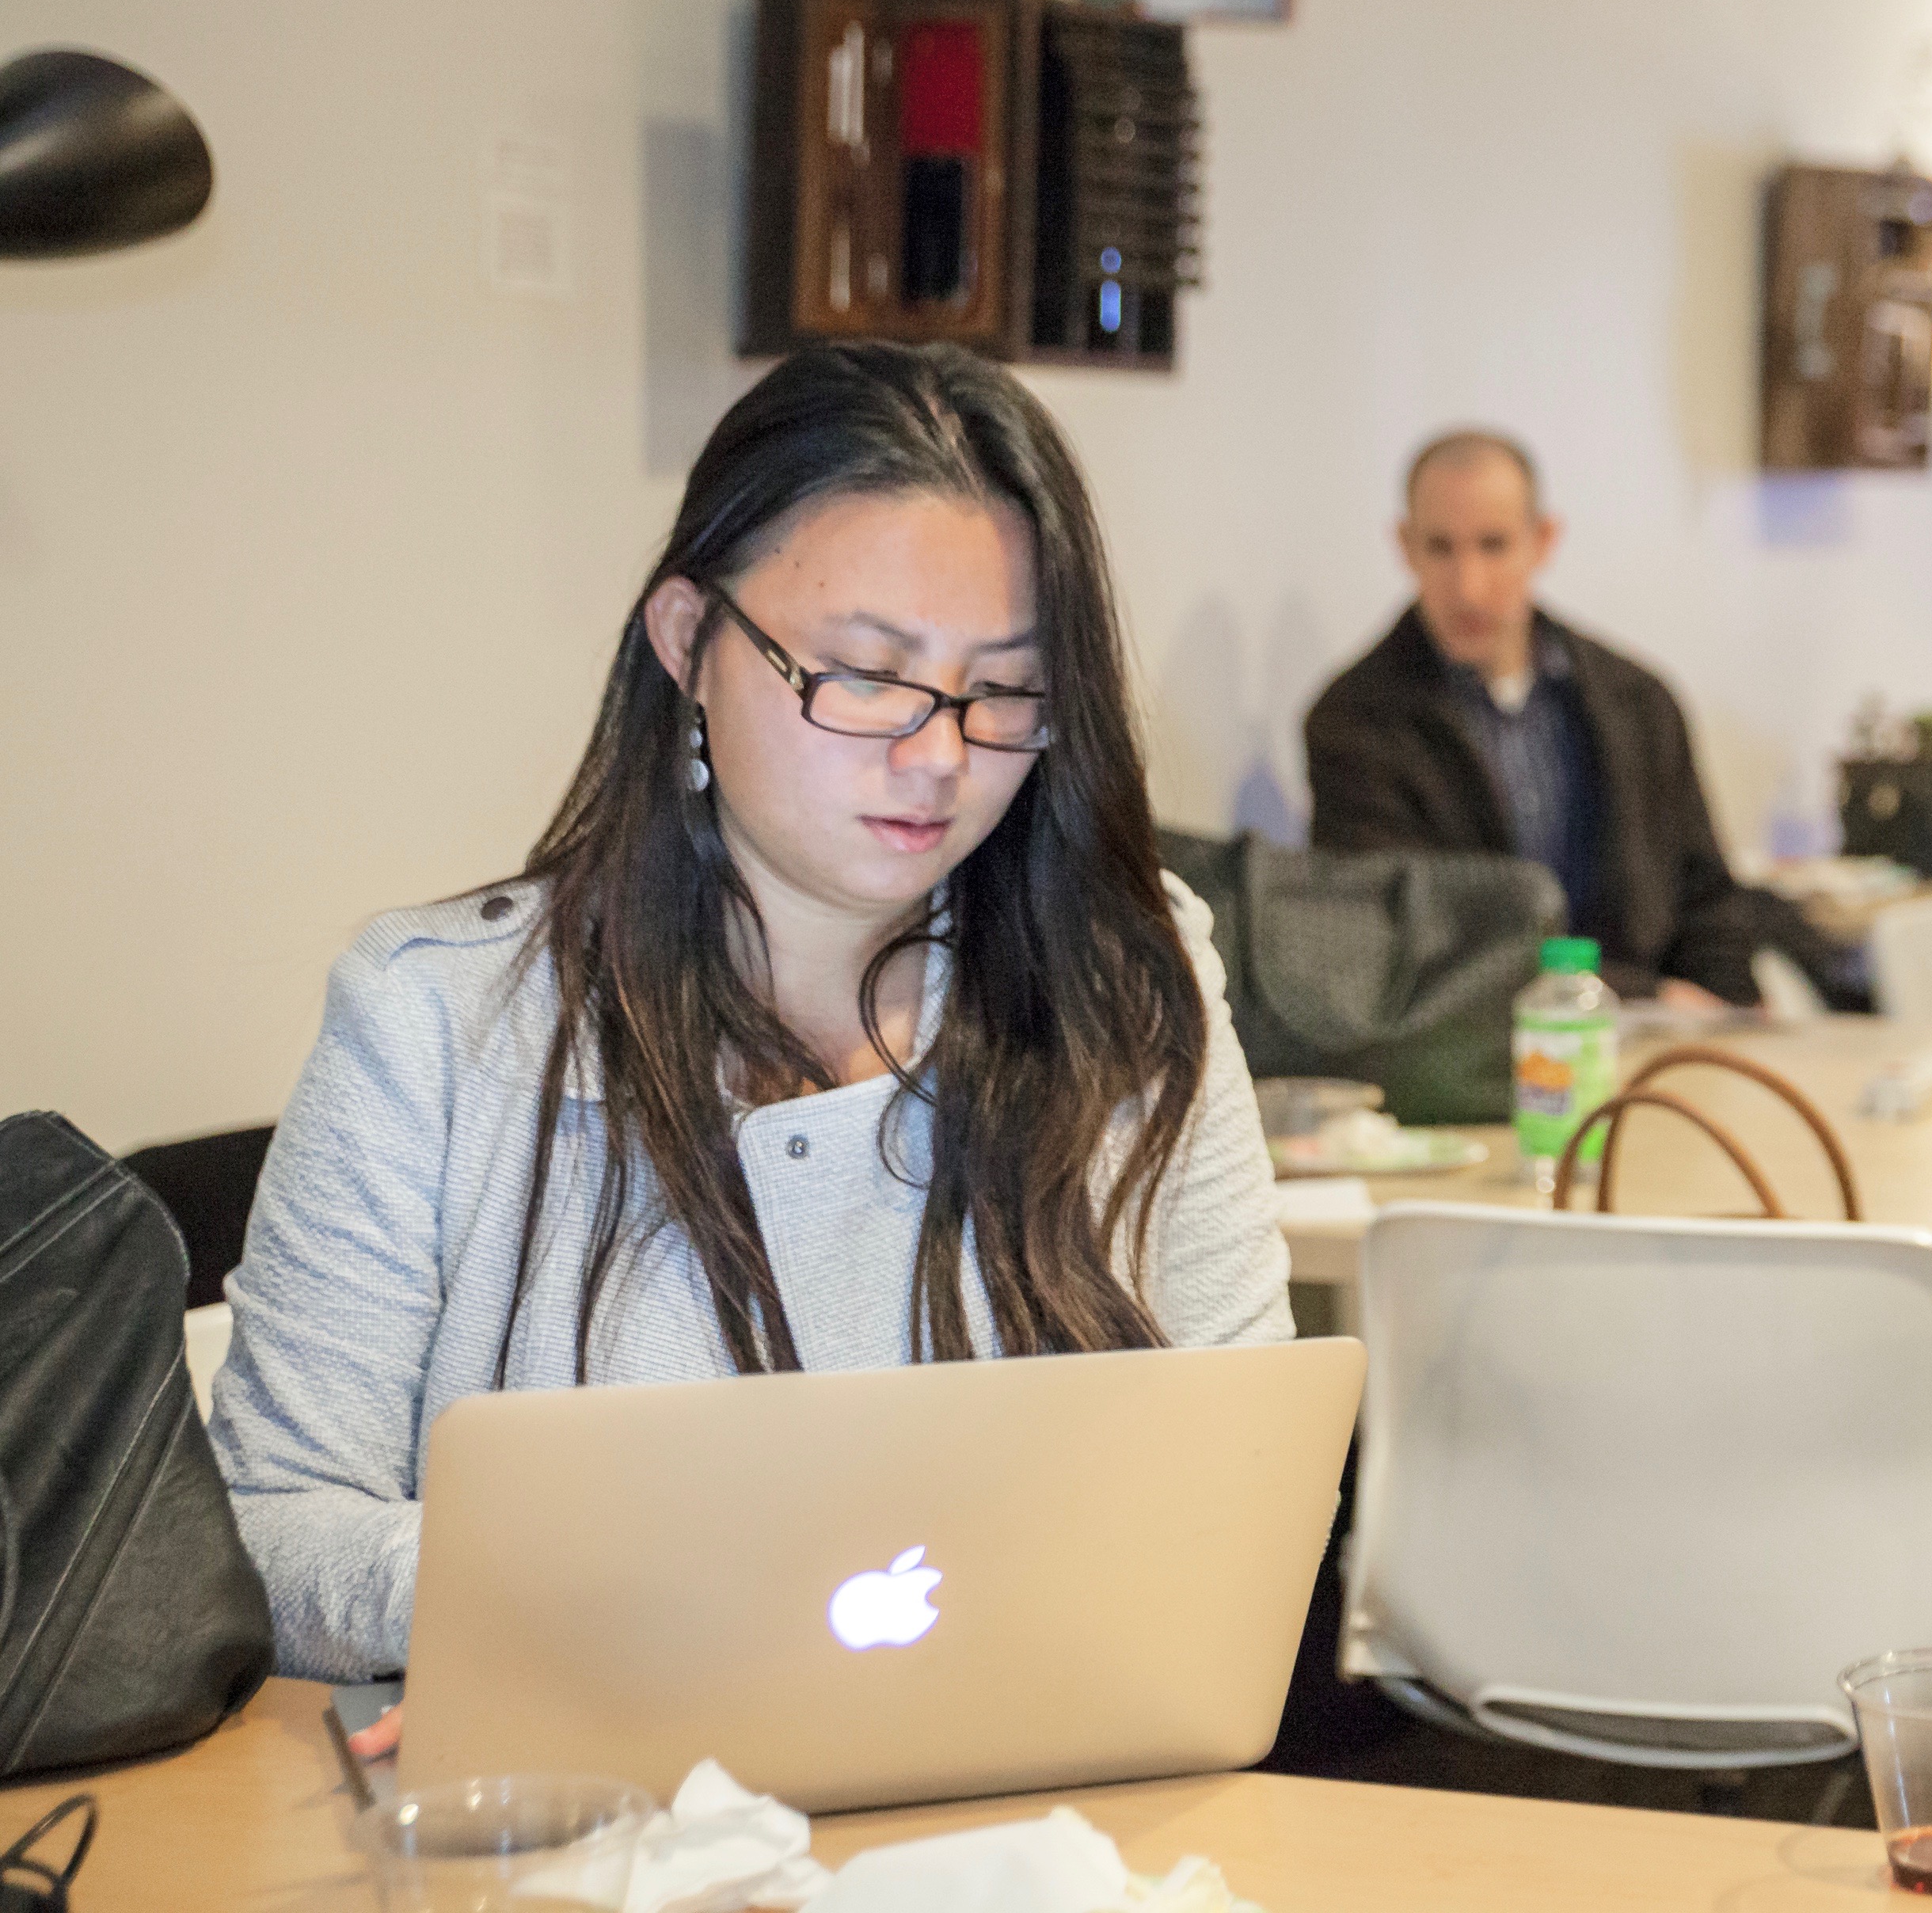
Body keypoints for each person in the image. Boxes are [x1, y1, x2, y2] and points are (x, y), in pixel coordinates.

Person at [209, 343, 1292, 1693]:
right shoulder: (437, 1018)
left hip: (1036, 1817)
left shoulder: (1133, 987)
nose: (940, 755)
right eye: (866, 674)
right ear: (688, 645)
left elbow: (1248, 1491)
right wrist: (559, 1582)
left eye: (1005, 691)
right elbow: (264, 1532)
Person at [1304, 431, 1772, 1007]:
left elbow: (1704, 898)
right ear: (1406, 546)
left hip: (1655, 1043)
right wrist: (1642, 994)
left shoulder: (1636, 700)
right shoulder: (1355, 724)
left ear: (1542, 540)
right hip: (1475, 1050)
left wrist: (1735, 1013)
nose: (1468, 586)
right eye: (1441, 548)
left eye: (1493, 546)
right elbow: (1410, 938)